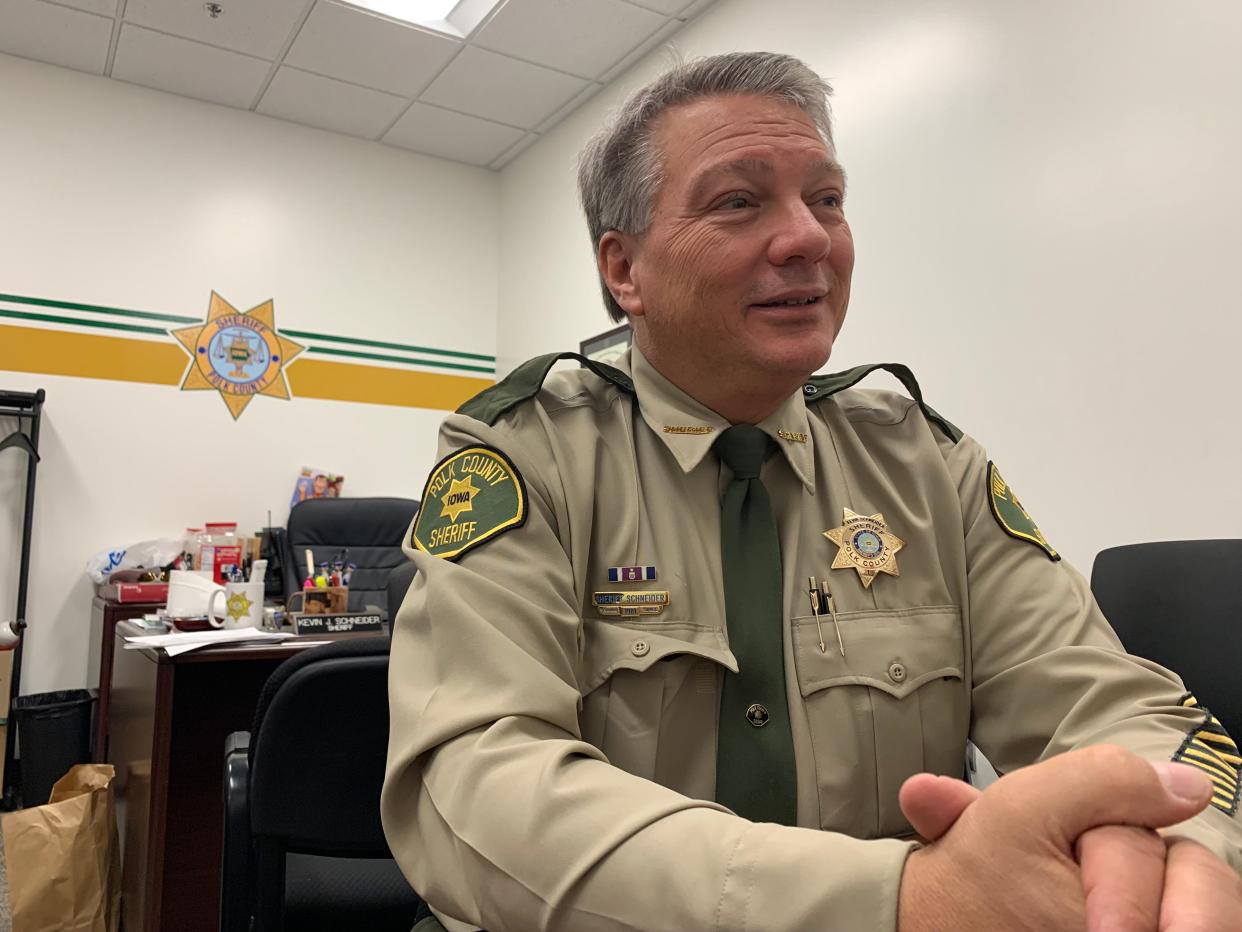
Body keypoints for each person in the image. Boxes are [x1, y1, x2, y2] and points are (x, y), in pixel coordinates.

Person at [382, 52, 1242, 931]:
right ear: (625, 271)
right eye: (738, 201)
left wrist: (1176, 846)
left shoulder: (926, 466)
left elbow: (1116, 705)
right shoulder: (523, 455)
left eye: (826, 199)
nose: (809, 239)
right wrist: (900, 901)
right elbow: (474, 788)